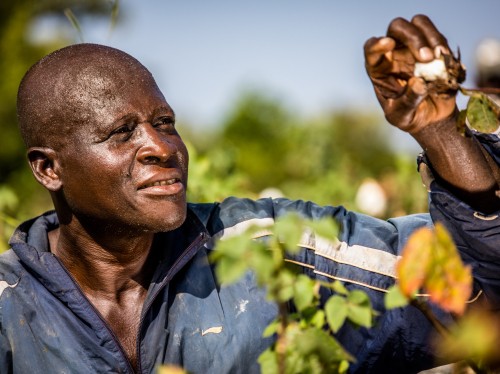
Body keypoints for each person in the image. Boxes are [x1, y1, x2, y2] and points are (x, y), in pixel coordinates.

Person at [1, 14, 499, 374]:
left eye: (165, 123)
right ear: (49, 169)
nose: (162, 147)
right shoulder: (8, 311)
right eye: (122, 132)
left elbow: (479, 282)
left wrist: (442, 133)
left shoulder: (270, 248)